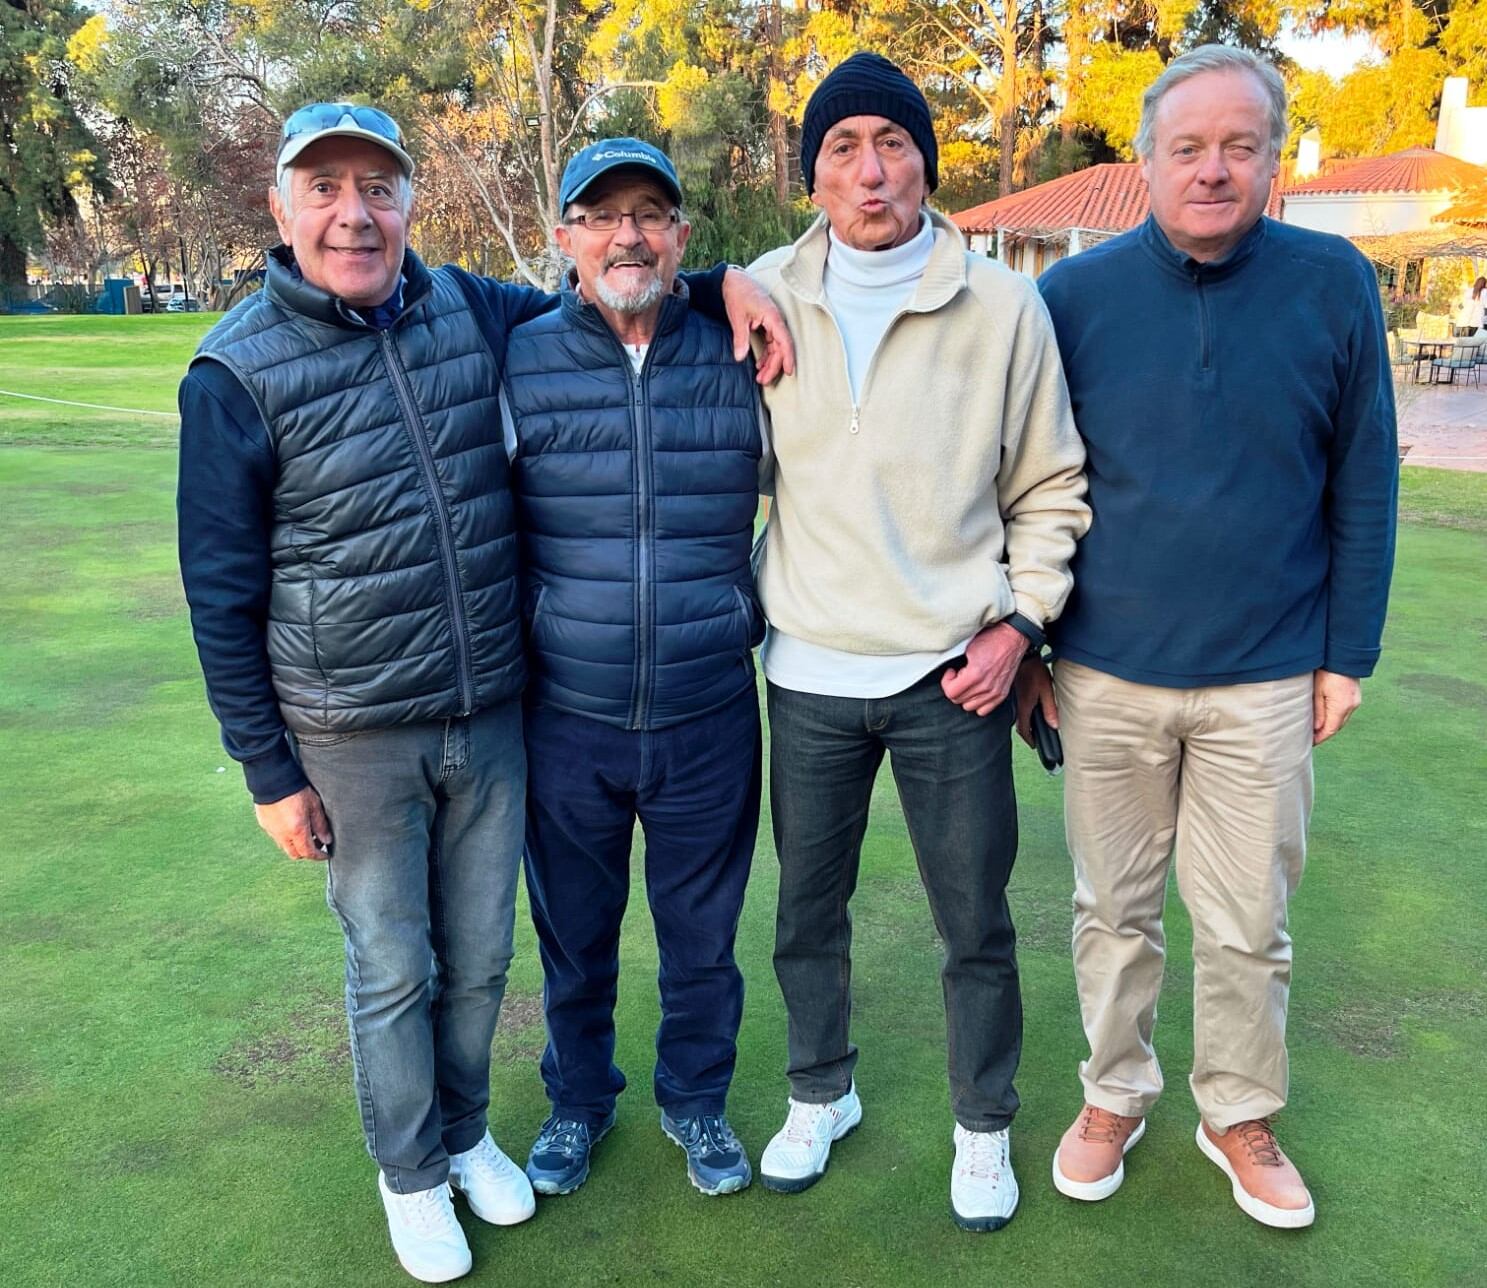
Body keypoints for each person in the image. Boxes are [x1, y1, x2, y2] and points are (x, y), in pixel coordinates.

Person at [176, 103, 791, 1284]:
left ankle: (565, 1120)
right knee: (428, 959)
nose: (353, 213)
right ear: (281, 208)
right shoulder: (260, 364)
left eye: (378, 188)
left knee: (533, 949)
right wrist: (267, 770)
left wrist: (731, 283)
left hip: (570, 707)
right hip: (408, 723)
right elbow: (219, 590)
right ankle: (459, 1153)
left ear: (409, 203)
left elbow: (653, 276)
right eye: (324, 188)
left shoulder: (476, 310)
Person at [1028, 45, 1397, 1230]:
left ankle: (1236, 1109)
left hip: (1266, 674)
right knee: (1111, 908)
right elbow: (1024, 482)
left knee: (1246, 921)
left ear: (1274, 161)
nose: (1211, 168)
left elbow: (1363, 480)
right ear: (1142, 160)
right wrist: (1028, 640)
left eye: (1238, 146)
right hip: (1102, 672)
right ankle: (1112, 1091)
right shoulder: (1070, 298)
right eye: (1185, 147)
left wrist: (1347, 653)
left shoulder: (1333, 282)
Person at [746, 52, 1091, 1231]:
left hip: (953, 673)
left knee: (973, 923)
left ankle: (982, 1124)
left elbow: (1050, 487)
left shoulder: (1002, 304)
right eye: (840, 147)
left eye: (889, 142)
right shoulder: (764, 291)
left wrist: (1021, 623)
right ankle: (817, 1090)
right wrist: (713, 290)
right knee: (804, 912)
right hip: (804, 671)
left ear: (923, 164)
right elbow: (639, 283)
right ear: (813, 176)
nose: (867, 167)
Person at [500, 138, 764, 1202]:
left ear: (683, 238)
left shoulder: (743, 346)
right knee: (575, 937)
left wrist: (733, 286)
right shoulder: (515, 352)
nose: (628, 234)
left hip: (707, 710)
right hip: (567, 713)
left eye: (650, 213)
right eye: (601, 215)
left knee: (703, 942)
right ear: (563, 237)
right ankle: (577, 1101)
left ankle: (695, 1098)